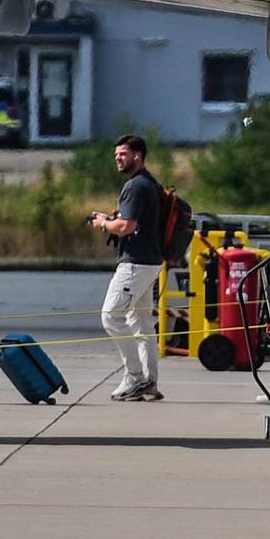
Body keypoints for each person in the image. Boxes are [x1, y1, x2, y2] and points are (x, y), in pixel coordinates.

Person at [86, 134, 164, 401]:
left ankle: (135, 376)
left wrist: (103, 224)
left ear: (137, 155)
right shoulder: (151, 183)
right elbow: (133, 221)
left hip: (135, 263)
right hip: (151, 261)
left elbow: (127, 227)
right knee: (141, 322)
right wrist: (113, 219)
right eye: (116, 155)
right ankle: (150, 381)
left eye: (123, 154)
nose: (118, 159)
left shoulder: (134, 186)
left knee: (111, 316)